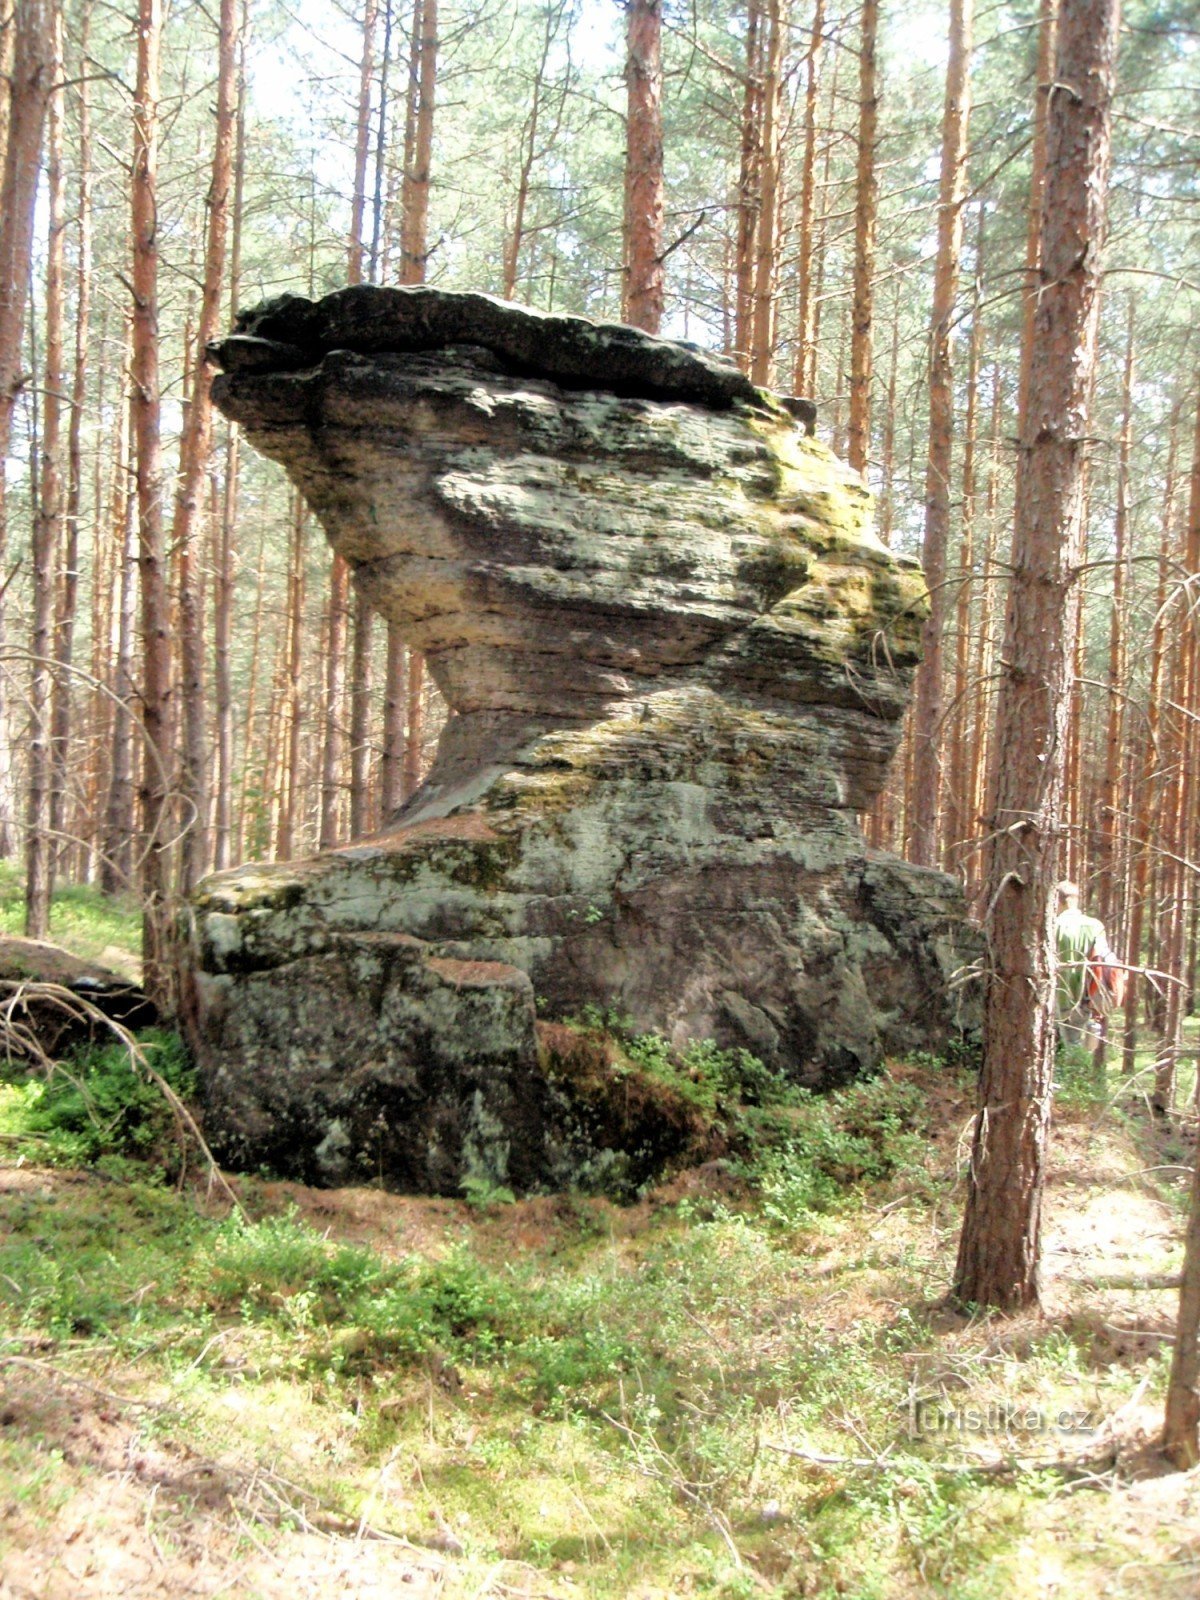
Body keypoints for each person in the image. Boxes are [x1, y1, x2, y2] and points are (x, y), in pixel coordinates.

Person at [1054, 880, 1119, 1053]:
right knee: (1074, 1046)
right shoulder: (1095, 926)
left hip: (1056, 997)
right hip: (1084, 996)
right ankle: (1077, 1073)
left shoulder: (1052, 926)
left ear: (1057, 901)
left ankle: (1068, 1075)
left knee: (1055, 1050)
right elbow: (1102, 962)